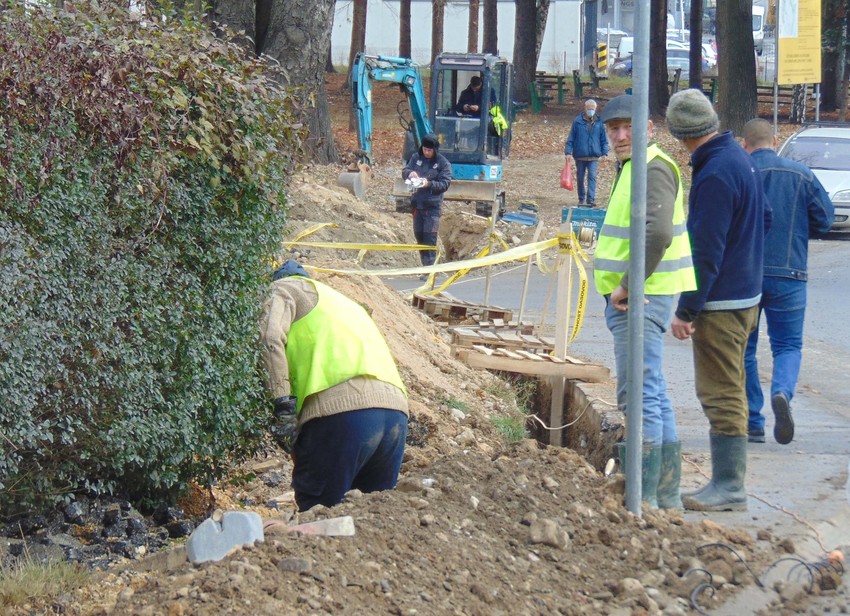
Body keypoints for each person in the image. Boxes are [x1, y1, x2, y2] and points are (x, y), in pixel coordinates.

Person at [666, 89, 769, 512]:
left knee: (721, 392)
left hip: (723, 305)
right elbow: (765, 219)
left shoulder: (714, 174)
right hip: (745, 295)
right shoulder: (738, 158)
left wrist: (687, 309)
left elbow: (705, 250)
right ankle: (727, 482)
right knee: (733, 388)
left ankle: (729, 486)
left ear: (679, 133)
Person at [595, 95, 697, 510]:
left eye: (628, 127)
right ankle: (666, 496)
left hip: (640, 298)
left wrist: (627, 285)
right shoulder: (636, 167)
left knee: (637, 393)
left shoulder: (652, 167)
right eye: (613, 129)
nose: (620, 135)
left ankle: (646, 498)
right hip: (643, 295)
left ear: (648, 129)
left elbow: (656, 235)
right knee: (651, 390)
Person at [259, 259, 410, 511]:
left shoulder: (284, 288)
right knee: (370, 518)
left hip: (344, 416)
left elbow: (268, 337)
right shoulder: (342, 303)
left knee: (319, 516)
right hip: (395, 416)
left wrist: (281, 404)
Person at [741, 118, 834, 445]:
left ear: (744, 144)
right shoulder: (801, 174)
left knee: (744, 349)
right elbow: (825, 220)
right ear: (776, 139)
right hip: (790, 273)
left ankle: (753, 420)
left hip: (746, 276)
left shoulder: (740, 173)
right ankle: (782, 391)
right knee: (788, 345)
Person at [402, 133, 452, 277]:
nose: (427, 152)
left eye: (429, 150)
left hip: (432, 206)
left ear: (435, 150)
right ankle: (425, 267)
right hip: (417, 204)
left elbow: (444, 184)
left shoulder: (443, 163)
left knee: (430, 238)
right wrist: (410, 173)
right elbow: (405, 170)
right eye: (425, 149)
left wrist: (428, 184)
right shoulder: (416, 158)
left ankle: (430, 271)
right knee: (420, 237)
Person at [564, 99, 609, 207]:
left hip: (594, 155)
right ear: (585, 108)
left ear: (595, 109)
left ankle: (591, 199)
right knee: (580, 178)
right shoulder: (577, 122)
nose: (591, 111)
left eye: (592, 109)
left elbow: (603, 139)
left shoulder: (599, 122)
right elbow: (571, 138)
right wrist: (568, 152)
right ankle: (581, 198)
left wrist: (605, 152)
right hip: (580, 155)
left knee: (592, 177)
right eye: (589, 109)